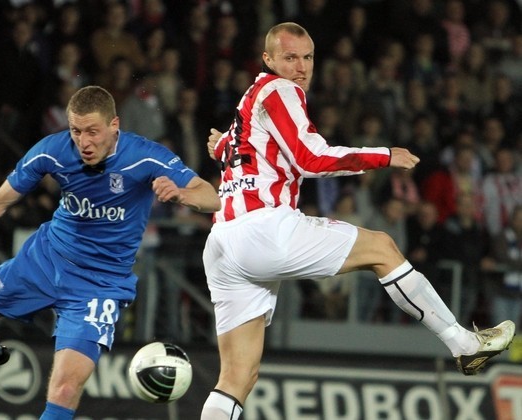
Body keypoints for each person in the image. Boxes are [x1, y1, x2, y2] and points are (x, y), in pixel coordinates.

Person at [200, 22, 515, 420]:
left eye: (308, 57)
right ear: (268, 60)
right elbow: (310, 158)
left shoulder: (250, 98)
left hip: (223, 244)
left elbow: (235, 147)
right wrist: (383, 155)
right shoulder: (281, 90)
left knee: (236, 377)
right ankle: (462, 343)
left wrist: (219, 145)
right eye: (290, 57)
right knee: (382, 247)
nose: (301, 67)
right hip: (263, 230)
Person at [0, 86, 221, 419]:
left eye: (92, 132)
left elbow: (210, 196)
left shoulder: (145, 156)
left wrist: (181, 195)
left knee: (65, 390)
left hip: (98, 286)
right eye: (75, 131)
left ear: (114, 125)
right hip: (43, 261)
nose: (83, 142)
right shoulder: (52, 151)